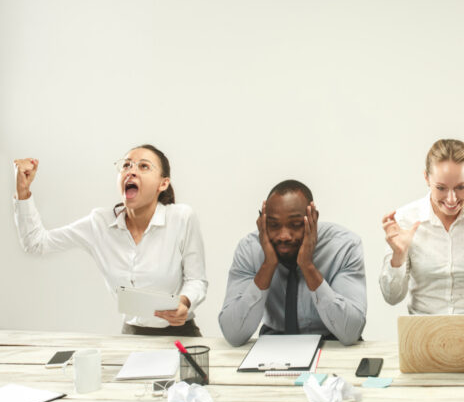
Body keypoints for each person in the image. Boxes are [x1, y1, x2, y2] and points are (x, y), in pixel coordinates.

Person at [12, 145, 207, 336]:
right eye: (126, 165)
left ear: (162, 184)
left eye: (143, 166)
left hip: (181, 335)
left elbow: (196, 280)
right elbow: (36, 243)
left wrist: (184, 302)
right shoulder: (99, 223)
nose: (131, 171)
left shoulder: (182, 218)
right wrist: (22, 191)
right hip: (132, 336)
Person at [379, 139, 464, 314]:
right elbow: (391, 297)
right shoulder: (405, 220)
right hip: (425, 330)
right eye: (441, 188)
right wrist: (398, 256)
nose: (452, 199)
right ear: (426, 178)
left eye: (461, 187)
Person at [218, 180, 366, 346]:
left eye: (295, 225)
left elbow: (351, 332)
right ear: (262, 221)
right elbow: (233, 334)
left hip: (332, 343)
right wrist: (268, 265)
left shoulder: (344, 246)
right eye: (273, 225)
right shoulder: (249, 249)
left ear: (313, 218)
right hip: (274, 344)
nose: (284, 236)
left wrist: (307, 266)